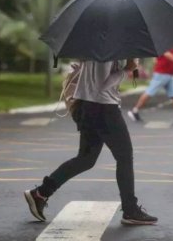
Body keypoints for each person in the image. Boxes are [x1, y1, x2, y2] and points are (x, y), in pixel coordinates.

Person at [24, 59, 158, 225]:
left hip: (93, 107)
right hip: (103, 109)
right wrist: (126, 70)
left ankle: (40, 193)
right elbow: (101, 85)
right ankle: (130, 210)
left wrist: (126, 65)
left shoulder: (106, 44)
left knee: (86, 159)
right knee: (124, 157)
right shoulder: (105, 50)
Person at [127, 48, 173, 123]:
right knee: (150, 92)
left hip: (170, 73)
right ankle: (135, 111)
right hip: (161, 72)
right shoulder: (166, 41)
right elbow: (166, 53)